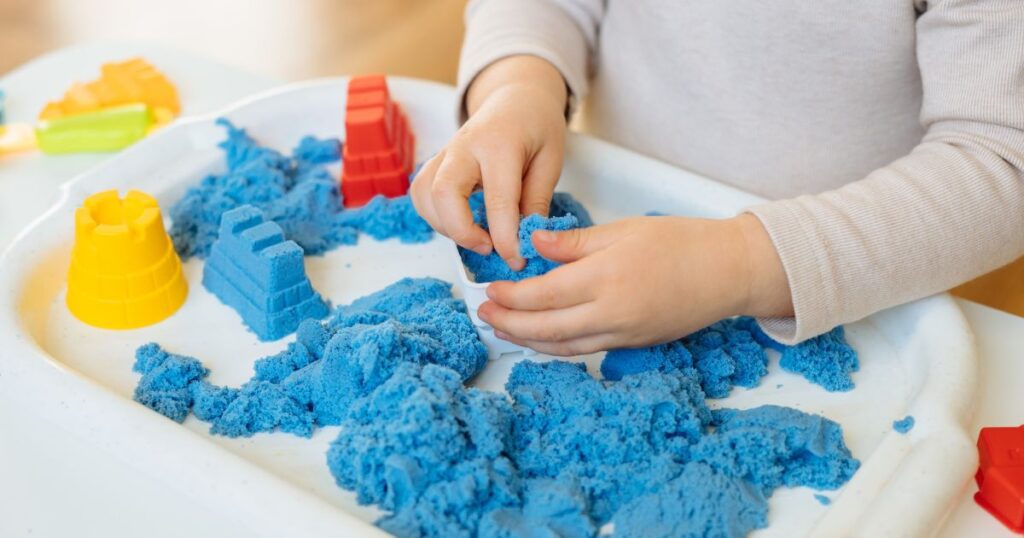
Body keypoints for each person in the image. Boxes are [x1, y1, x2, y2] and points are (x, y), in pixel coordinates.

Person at [410, 0, 1024, 356]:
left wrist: (740, 264)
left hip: (856, 292)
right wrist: (518, 84)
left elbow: (1002, 157)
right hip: (619, 209)